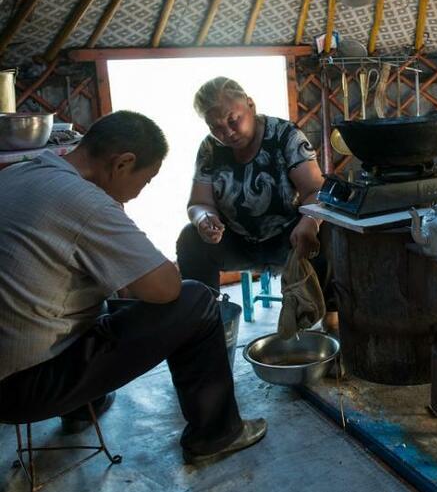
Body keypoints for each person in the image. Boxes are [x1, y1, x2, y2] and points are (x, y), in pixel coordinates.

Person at [0, 111, 266, 464]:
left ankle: (83, 407)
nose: (142, 191)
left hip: (14, 361)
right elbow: (167, 289)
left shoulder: (19, 174)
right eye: (147, 179)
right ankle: (217, 433)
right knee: (196, 301)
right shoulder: (86, 204)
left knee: (97, 294)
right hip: (22, 387)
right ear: (123, 164)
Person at [175, 77, 337, 331]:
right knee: (190, 239)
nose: (226, 132)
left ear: (250, 104)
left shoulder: (285, 136)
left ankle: (332, 323)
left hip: (290, 238)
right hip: (237, 241)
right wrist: (203, 219)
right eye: (215, 127)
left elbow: (316, 191)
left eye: (232, 119)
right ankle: (204, 322)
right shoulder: (210, 149)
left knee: (329, 231)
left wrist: (309, 223)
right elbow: (198, 203)